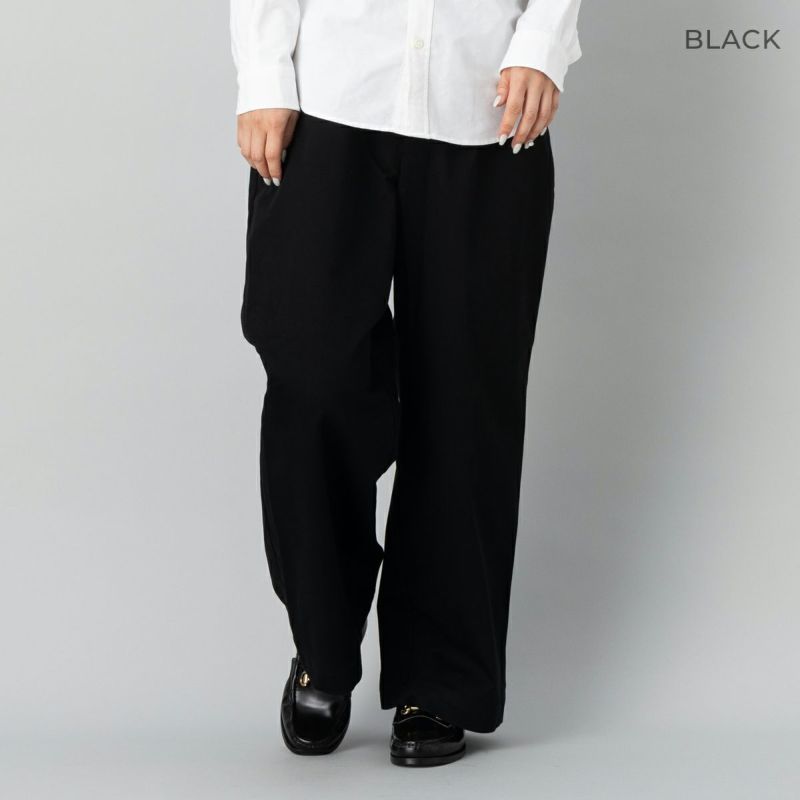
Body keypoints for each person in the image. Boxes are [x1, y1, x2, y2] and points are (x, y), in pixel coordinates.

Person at [230, 0, 582, 767]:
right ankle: (323, 646)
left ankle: (439, 679)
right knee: (312, 380)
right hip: (328, 98)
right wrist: (263, 74)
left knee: (465, 404)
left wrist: (544, 41)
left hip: (486, 101)